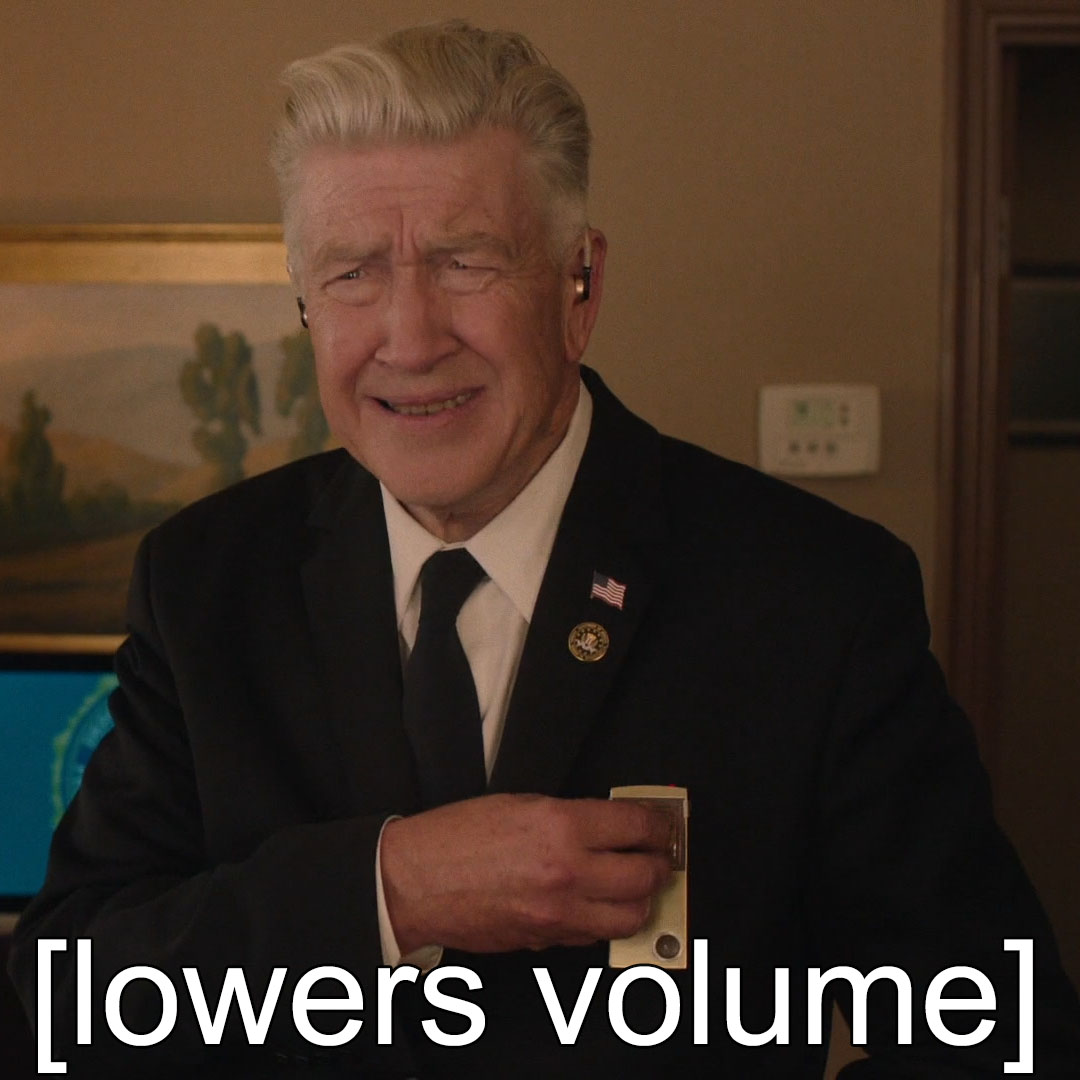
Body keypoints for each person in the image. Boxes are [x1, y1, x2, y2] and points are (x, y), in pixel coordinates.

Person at [9, 19, 1080, 1078]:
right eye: (352, 274)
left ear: (580, 287)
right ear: (304, 305)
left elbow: (1000, 1030)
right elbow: (63, 996)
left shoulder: (815, 597)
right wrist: (390, 891)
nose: (410, 338)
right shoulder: (205, 583)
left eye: (466, 262)